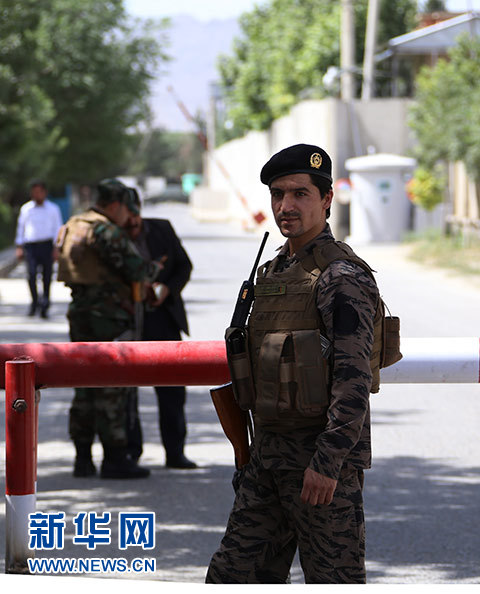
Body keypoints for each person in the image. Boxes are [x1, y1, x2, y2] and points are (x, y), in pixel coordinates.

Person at [206, 144, 384, 583]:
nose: (286, 205)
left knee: (333, 583)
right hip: (266, 461)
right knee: (232, 579)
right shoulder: (273, 271)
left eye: (300, 194)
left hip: (318, 468)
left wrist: (327, 464)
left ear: (326, 199)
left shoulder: (341, 277)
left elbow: (353, 380)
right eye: (278, 194)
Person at [56, 178, 162, 479]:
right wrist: (155, 268)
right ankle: (115, 458)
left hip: (80, 313)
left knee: (83, 386)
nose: (128, 216)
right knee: (111, 387)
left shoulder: (74, 224)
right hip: (108, 318)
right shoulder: (106, 230)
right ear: (114, 205)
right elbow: (137, 269)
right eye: (126, 209)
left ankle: (82, 457)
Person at [124, 188, 197, 469]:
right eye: (126, 216)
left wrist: (167, 288)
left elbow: (183, 266)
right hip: (127, 322)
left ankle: (175, 451)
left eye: (135, 214)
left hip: (163, 318)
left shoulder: (161, 229)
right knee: (126, 391)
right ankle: (130, 452)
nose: (131, 222)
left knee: (172, 390)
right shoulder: (112, 239)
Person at [14, 179, 63, 318]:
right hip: (31, 246)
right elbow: (21, 228)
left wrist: (57, 248)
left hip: (47, 245)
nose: (37, 194)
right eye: (34, 192)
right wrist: (19, 246)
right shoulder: (26, 209)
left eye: (39, 192)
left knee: (47, 276)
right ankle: (34, 302)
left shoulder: (53, 209)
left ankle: (45, 303)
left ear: (45, 192)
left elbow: (58, 228)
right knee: (31, 275)